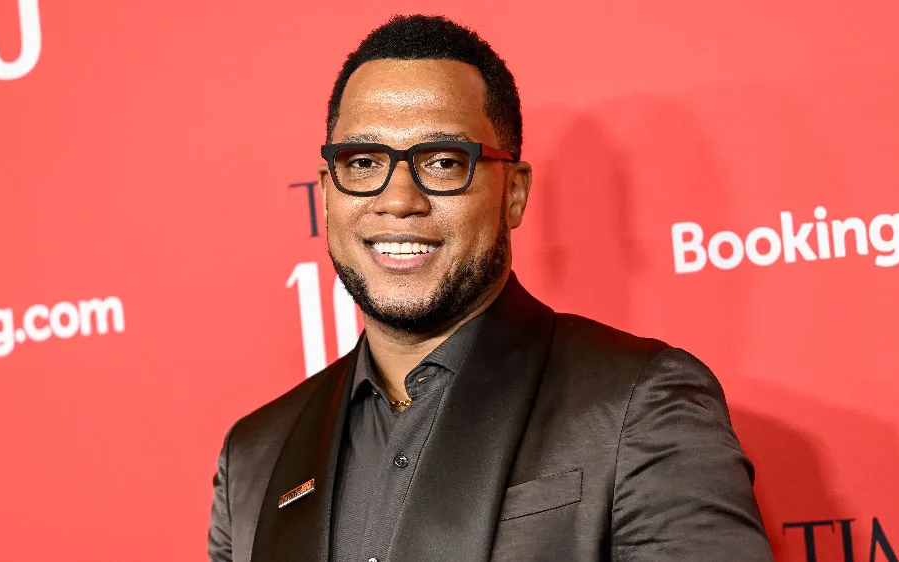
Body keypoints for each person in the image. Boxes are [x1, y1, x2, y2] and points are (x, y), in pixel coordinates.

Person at [208, 14, 773, 562]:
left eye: (443, 162)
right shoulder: (256, 455)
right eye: (362, 162)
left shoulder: (642, 405)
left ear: (514, 193)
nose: (398, 199)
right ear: (327, 193)